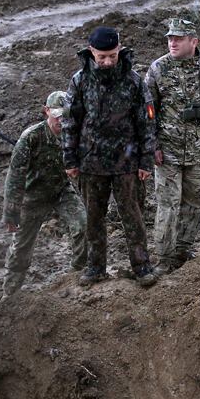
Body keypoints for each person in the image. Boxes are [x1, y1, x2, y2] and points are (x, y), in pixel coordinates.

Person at [61, 26, 159, 288]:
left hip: (127, 162)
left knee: (133, 216)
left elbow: (146, 123)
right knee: (93, 218)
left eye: (112, 56)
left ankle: (141, 266)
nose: (107, 62)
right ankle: (95, 267)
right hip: (91, 162)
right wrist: (70, 160)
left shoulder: (133, 81)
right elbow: (71, 122)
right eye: (102, 57)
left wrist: (146, 161)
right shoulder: (80, 81)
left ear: (120, 50)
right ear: (91, 52)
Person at [145, 17, 200, 274]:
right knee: (168, 203)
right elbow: (147, 112)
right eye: (170, 38)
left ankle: (183, 250)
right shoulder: (158, 69)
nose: (172, 42)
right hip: (168, 152)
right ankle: (163, 257)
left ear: (193, 41)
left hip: (199, 150)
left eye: (178, 38)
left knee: (194, 202)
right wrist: (153, 145)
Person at [1, 90, 86, 297]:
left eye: (66, 116)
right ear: (46, 111)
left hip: (61, 191)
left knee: (83, 225)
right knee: (21, 246)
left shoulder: (76, 134)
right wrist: (11, 213)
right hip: (32, 196)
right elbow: (15, 178)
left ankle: (78, 274)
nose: (61, 121)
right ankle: (9, 294)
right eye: (57, 116)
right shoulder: (31, 138)